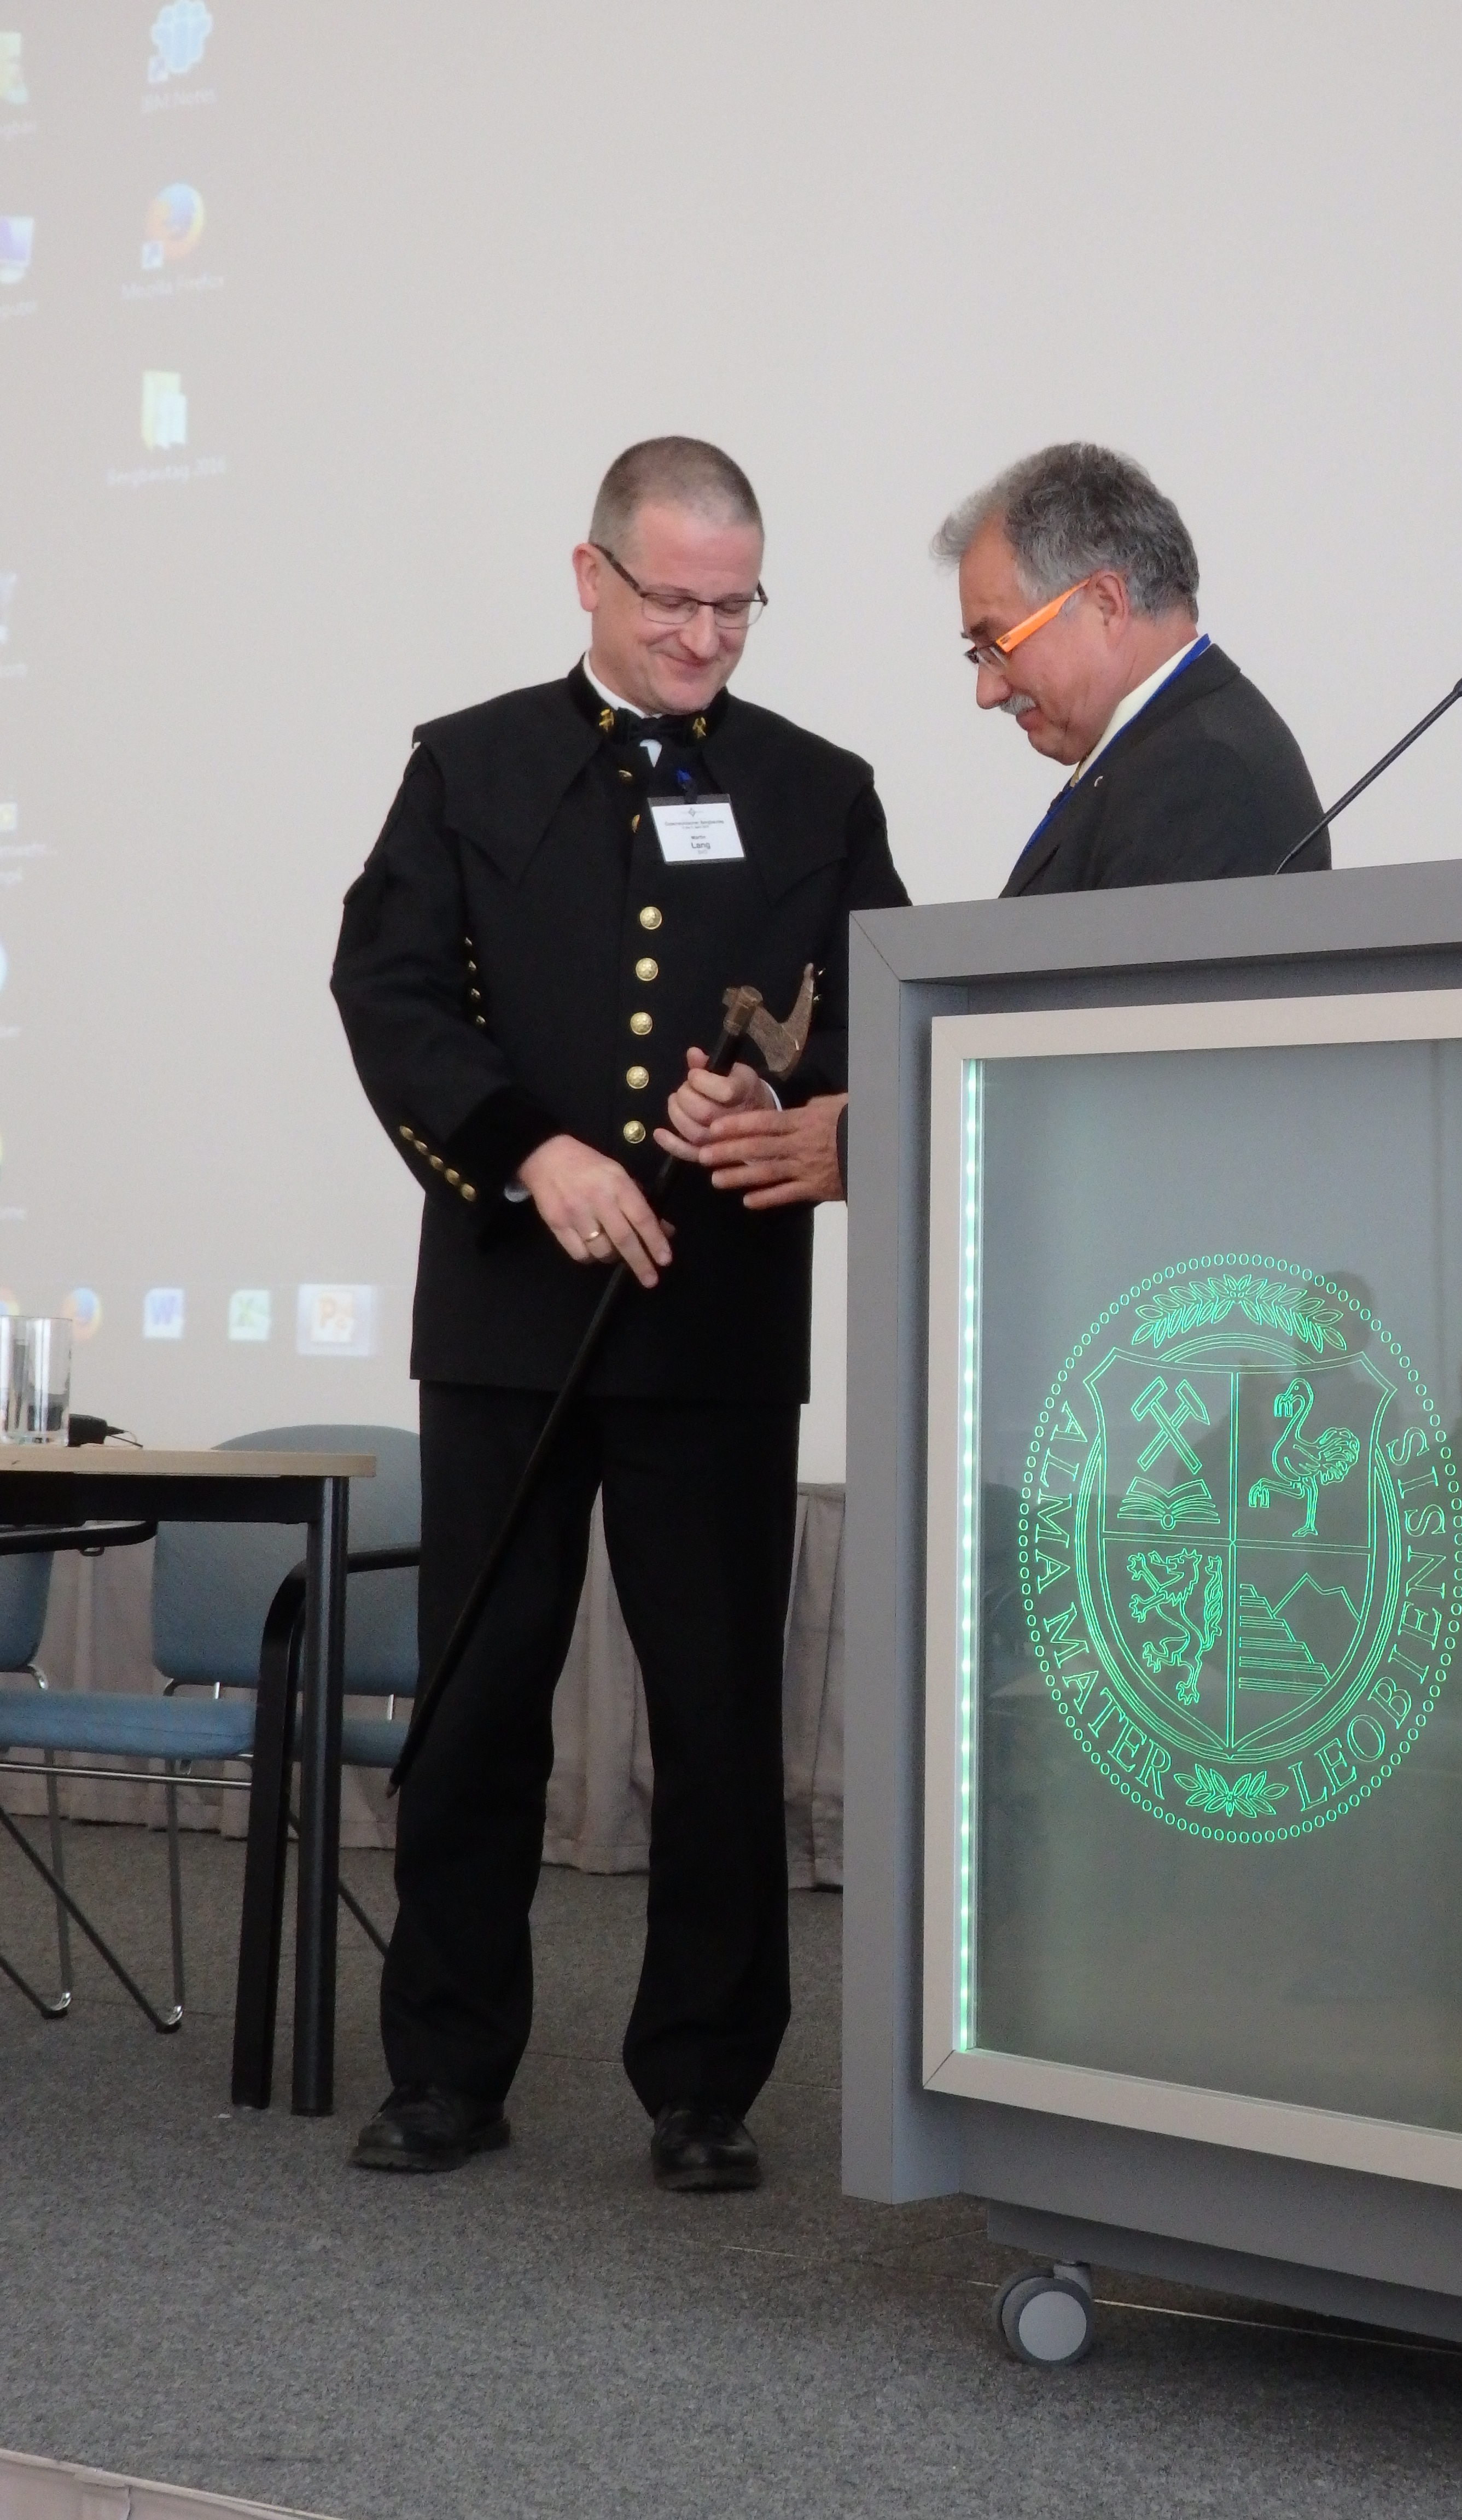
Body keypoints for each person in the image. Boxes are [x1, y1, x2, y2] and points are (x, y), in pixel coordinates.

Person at [330, 436, 908, 2188]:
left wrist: (794, 1102)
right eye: (675, 602)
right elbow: (390, 986)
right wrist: (530, 1153)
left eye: (736, 607)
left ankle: (706, 2086)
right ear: (590, 577)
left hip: (717, 1323)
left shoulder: (821, 789)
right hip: (512, 1314)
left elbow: (886, 1005)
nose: (706, 637)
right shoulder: (469, 764)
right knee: (483, 1698)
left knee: (719, 1719)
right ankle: (447, 2068)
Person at [668, 440, 1325, 1206]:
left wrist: (861, 1144)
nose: (987, 691)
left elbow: (1132, 1084)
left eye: (997, 643)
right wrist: (806, 1110)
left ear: (1106, 604)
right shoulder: (1165, 749)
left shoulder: (1202, 773)